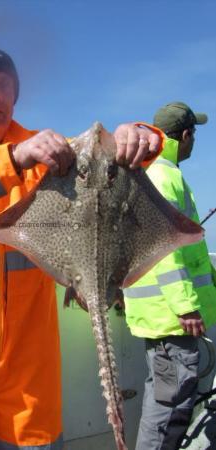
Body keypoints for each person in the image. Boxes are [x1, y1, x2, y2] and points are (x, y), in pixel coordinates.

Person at [0, 44, 162, 450]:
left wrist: (142, 135)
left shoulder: (45, 150)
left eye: (6, 86)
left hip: (27, 350)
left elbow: (102, 158)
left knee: (34, 443)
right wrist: (11, 160)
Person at [123, 101, 216, 450]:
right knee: (169, 409)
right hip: (171, 319)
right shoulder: (164, 176)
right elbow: (163, 247)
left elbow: (186, 247)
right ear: (187, 135)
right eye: (195, 135)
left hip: (165, 318)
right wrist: (186, 306)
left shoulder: (159, 173)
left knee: (169, 403)